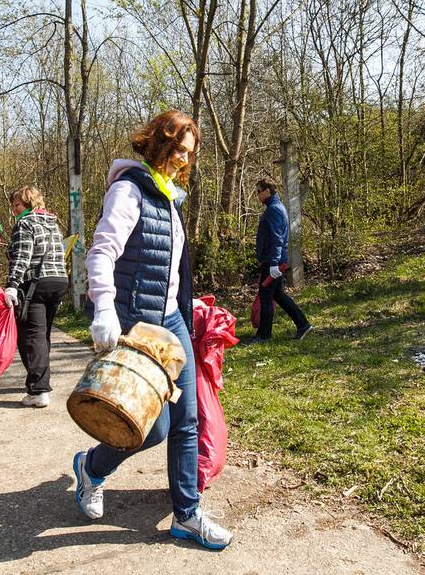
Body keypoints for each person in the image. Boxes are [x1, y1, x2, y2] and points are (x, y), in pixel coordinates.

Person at [73, 110, 234, 551]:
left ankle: (187, 515)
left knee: (187, 421)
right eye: (179, 149)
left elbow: (169, 262)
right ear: (158, 143)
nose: (183, 160)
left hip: (172, 322)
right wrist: (103, 308)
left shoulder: (168, 197)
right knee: (152, 427)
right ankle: (92, 468)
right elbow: (101, 253)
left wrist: (187, 302)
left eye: (189, 153)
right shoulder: (129, 190)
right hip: (135, 326)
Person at [3, 186, 69, 408]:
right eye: (13, 206)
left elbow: (22, 257)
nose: (14, 210)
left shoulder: (25, 223)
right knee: (43, 334)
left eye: (18, 205)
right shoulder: (52, 222)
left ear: (29, 203)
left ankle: (39, 390)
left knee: (31, 336)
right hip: (58, 281)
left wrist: (12, 285)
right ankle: (40, 378)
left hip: (35, 284)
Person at [246, 177, 311, 343]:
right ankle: (303, 324)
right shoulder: (274, 207)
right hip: (273, 259)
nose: (258, 195)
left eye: (259, 191)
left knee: (265, 297)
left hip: (272, 260)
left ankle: (264, 335)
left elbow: (277, 238)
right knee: (279, 295)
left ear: (268, 190)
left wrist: (274, 263)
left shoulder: (274, 209)